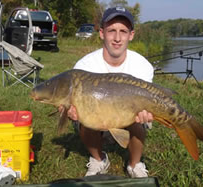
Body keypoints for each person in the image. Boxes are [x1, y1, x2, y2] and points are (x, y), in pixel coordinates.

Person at [66, 6, 154, 178]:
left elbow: (146, 102)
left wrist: (147, 112)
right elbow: (71, 100)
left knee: (138, 120)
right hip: (96, 117)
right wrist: (69, 109)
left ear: (131, 35)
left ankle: (135, 164)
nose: (117, 38)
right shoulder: (84, 66)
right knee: (85, 116)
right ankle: (99, 160)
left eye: (123, 31)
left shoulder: (142, 65)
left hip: (129, 115)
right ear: (101, 33)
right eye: (111, 30)